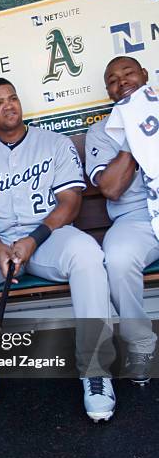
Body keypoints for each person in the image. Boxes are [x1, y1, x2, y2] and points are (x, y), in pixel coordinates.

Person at [0, 77, 117, 423]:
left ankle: (95, 372)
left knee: (87, 253)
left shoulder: (55, 143)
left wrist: (33, 240)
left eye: (13, 98)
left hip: (49, 240)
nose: (9, 105)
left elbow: (70, 203)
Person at [85, 56, 159, 384]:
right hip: (136, 221)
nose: (122, 81)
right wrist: (134, 129)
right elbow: (112, 189)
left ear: (144, 75)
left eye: (128, 73)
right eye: (113, 80)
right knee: (116, 258)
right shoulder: (102, 132)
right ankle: (141, 344)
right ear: (108, 92)